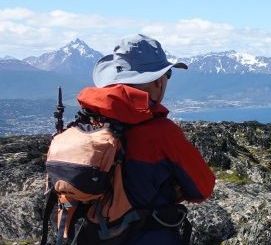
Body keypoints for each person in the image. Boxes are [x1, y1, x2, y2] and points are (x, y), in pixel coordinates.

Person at [71, 34, 215, 244]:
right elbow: (204, 187)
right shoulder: (161, 133)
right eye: (168, 75)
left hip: (90, 235)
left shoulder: (86, 123)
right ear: (157, 81)